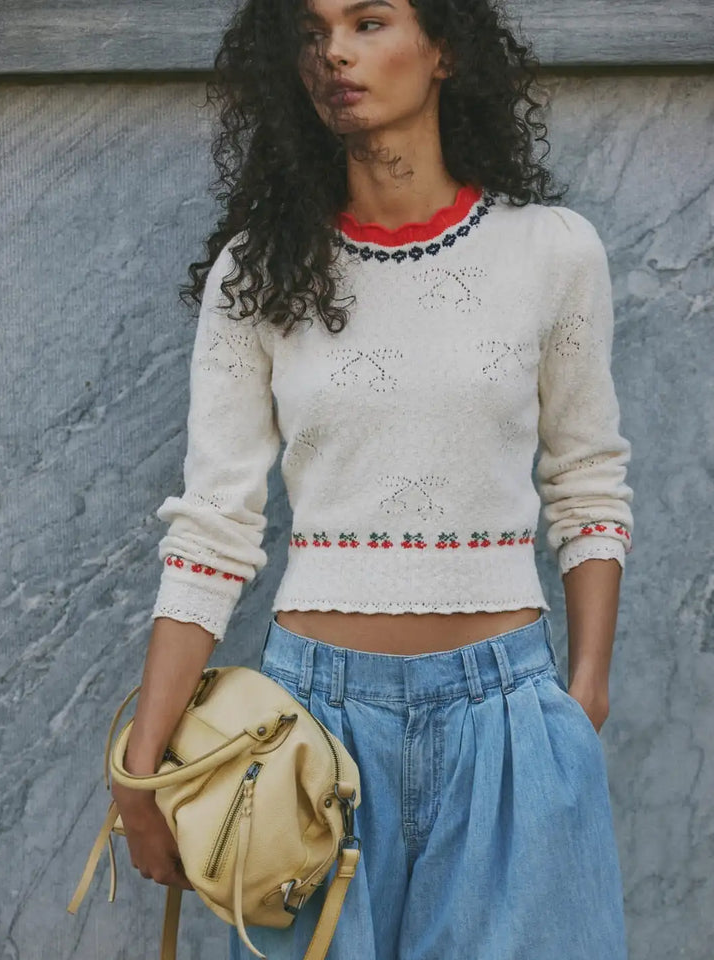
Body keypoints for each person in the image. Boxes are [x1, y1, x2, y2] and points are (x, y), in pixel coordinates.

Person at [111, 0, 634, 957]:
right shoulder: (257, 275)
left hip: (511, 728)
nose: (335, 53)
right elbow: (212, 530)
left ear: (444, 48)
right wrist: (140, 765)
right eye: (311, 33)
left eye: (368, 21)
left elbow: (588, 477)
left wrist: (583, 692)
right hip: (306, 743)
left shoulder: (554, 252)